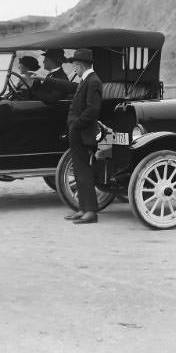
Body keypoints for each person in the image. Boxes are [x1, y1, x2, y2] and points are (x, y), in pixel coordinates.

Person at [62, 48, 103, 224]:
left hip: (82, 132)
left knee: (84, 171)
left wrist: (75, 125)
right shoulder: (87, 80)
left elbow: (92, 110)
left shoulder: (92, 81)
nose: (74, 70)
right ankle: (83, 208)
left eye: (75, 66)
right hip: (78, 131)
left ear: (79, 65)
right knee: (79, 171)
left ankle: (91, 212)